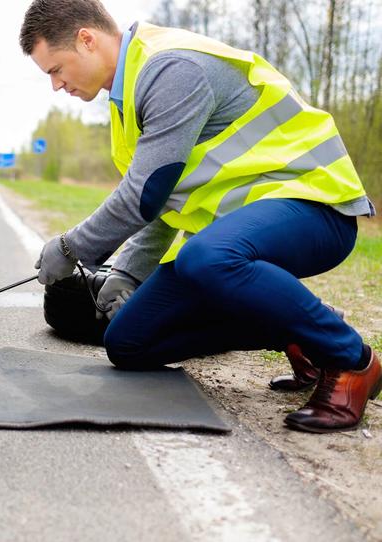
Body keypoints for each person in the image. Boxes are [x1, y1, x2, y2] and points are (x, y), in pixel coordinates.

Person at [20, 0, 380, 433]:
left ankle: (351, 360)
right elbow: (165, 201)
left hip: (315, 209)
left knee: (203, 258)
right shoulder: (127, 99)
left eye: (55, 69)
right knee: (129, 342)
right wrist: (129, 274)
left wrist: (69, 247)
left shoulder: (170, 69)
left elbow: (144, 192)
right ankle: (299, 331)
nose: (57, 85)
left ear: (87, 40)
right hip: (240, 237)